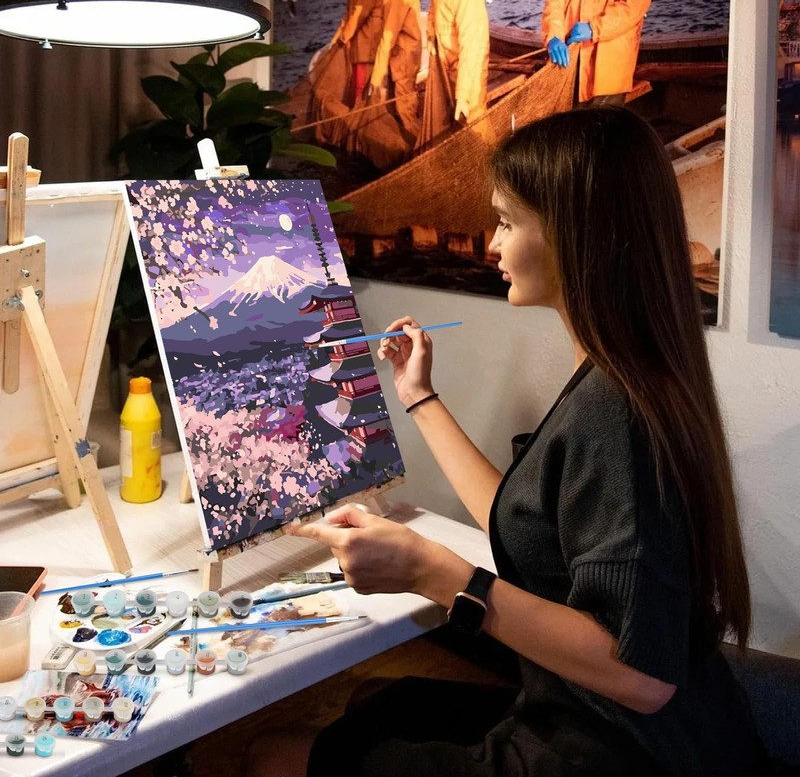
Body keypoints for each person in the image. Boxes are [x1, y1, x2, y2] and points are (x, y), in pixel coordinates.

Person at [245, 107, 767, 777]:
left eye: (506, 222)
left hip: (617, 748)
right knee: (375, 699)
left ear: (576, 235)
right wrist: (419, 396)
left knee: (272, 755)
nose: (492, 245)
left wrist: (432, 573)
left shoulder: (617, 412)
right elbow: (525, 524)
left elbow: (642, 677)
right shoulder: (625, 374)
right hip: (612, 719)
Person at [542, 0, 655, 105]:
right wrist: (554, 36)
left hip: (609, 67)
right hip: (570, 62)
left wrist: (593, 28)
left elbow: (633, 6)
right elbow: (554, 2)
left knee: (602, 114)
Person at [368, 0, 423, 144]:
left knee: (405, 110)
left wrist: (376, 77)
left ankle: (421, 147)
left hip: (402, 58)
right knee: (407, 101)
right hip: (410, 52)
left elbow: (388, 37)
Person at [427, 0, 490, 124]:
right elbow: (433, 8)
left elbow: (471, 46)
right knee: (455, 120)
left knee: (474, 119)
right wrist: (430, 34)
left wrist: (462, 95)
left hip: (471, 67)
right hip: (448, 65)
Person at [331, 0, 385, 105]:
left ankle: (361, 111)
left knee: (362, 85)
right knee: (357, 83)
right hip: (360, 41)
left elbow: (360, 14)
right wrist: (337, 38)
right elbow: (349, 13)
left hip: (367, 41)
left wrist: (344, 37)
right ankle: (358, 109)